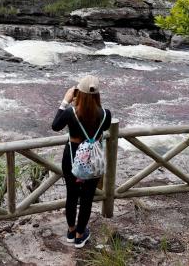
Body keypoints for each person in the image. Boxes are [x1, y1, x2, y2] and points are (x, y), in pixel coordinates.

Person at [52, 75, 112, 248]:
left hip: (72, 157)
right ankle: (80, 235)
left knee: (71, 195)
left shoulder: (71, 112)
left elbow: (55, 126)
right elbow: (104, 127)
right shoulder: (106, 114)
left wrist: (65, 101)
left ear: (79, 93)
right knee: (87, 198)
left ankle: (71, 231)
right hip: (93, 160)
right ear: (98, 94)